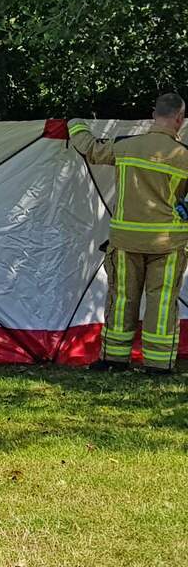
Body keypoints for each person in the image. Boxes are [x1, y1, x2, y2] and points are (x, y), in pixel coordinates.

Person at [69, 93, 188, 374]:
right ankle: (158, 365)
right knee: (161, 302)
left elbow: (90, 149)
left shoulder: (126, 147)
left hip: (125, 240)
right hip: (168, 243)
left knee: (122, 298)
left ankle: (114, 360)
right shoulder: (183, 156)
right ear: (179, 119)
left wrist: (75, 123)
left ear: (153, 114)